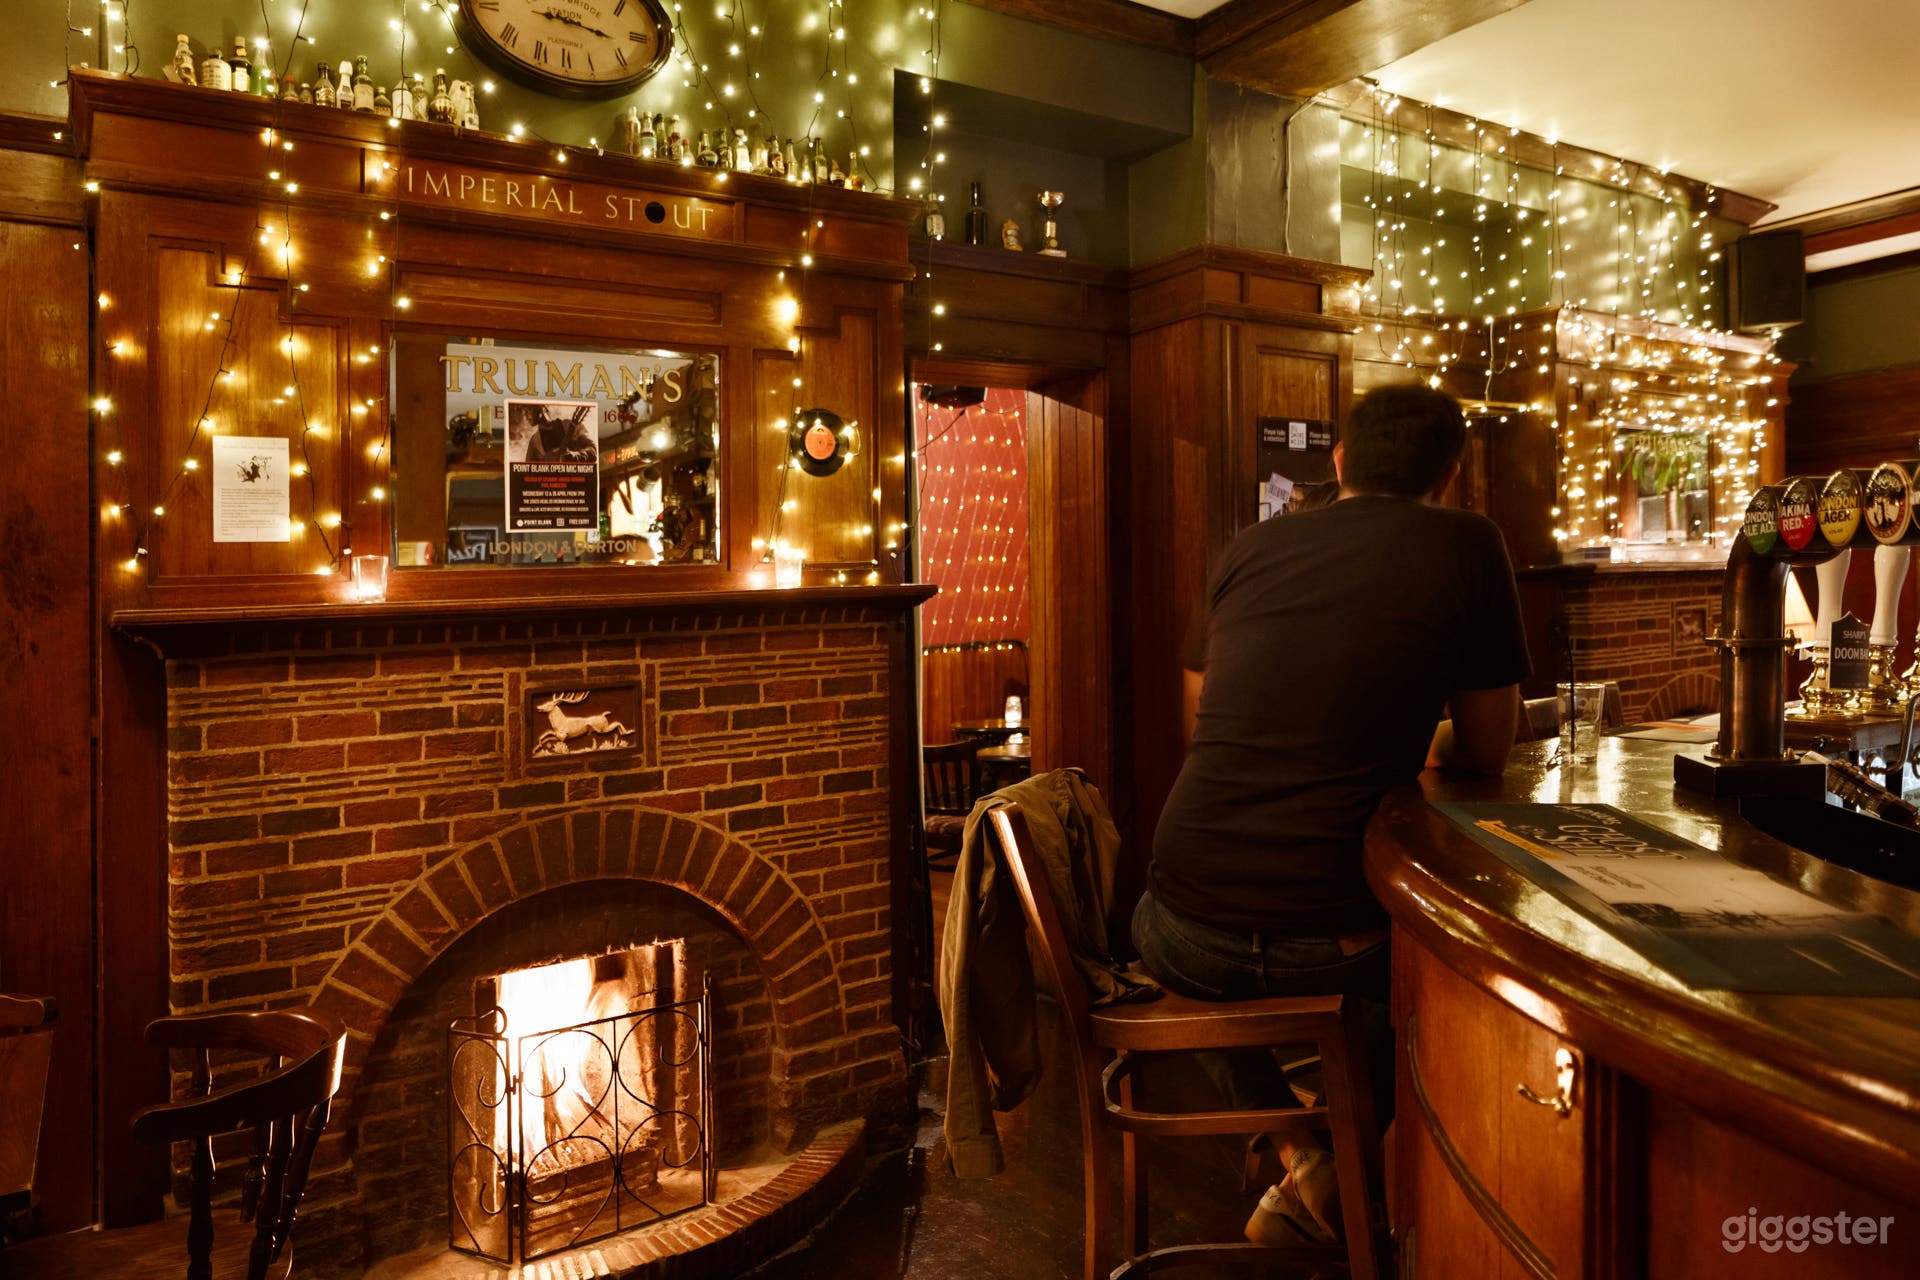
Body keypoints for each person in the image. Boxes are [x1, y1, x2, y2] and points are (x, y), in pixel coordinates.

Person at [1134, 383, 1530, 1247]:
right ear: (1452, 475)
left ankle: (1296, 1154)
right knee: (1427, 962)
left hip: (1179, 919)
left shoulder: (1254, 545)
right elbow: (1489, 748)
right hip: (1338, 942)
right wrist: (1408, 737)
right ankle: (1341, 1164)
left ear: (1340, 462)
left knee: (1166, 943)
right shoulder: (1469, 544)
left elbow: (1200, 715)